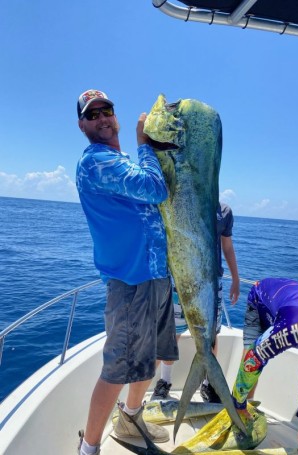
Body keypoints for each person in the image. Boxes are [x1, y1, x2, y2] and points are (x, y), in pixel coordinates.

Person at [76, 89, 179, 455]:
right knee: (117, 369)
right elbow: (154, 188)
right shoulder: (96, 162)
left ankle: (131, 417)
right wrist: (145, 143)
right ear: (82, 125)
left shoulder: (121, 162)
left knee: (149, 358)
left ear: (114, 116)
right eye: (93, 114)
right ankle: (89, 448)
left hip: (156, 276)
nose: (102, 117)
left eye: (107, 110)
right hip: (131, 282)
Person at [232, 277, 298, 454]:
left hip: (291, 303)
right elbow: (255, 358)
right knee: (251, 356)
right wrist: (238, 403)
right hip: (262, 301)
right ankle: (243, 412)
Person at [152, 202, 240, 402]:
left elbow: (227, 246)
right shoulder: (181, 204)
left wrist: (236, 278)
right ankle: (164, 381)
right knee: (171, 334)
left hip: (210, 284)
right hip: (179, 281)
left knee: (210, 337)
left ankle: (208, 384)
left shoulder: (225, 211)